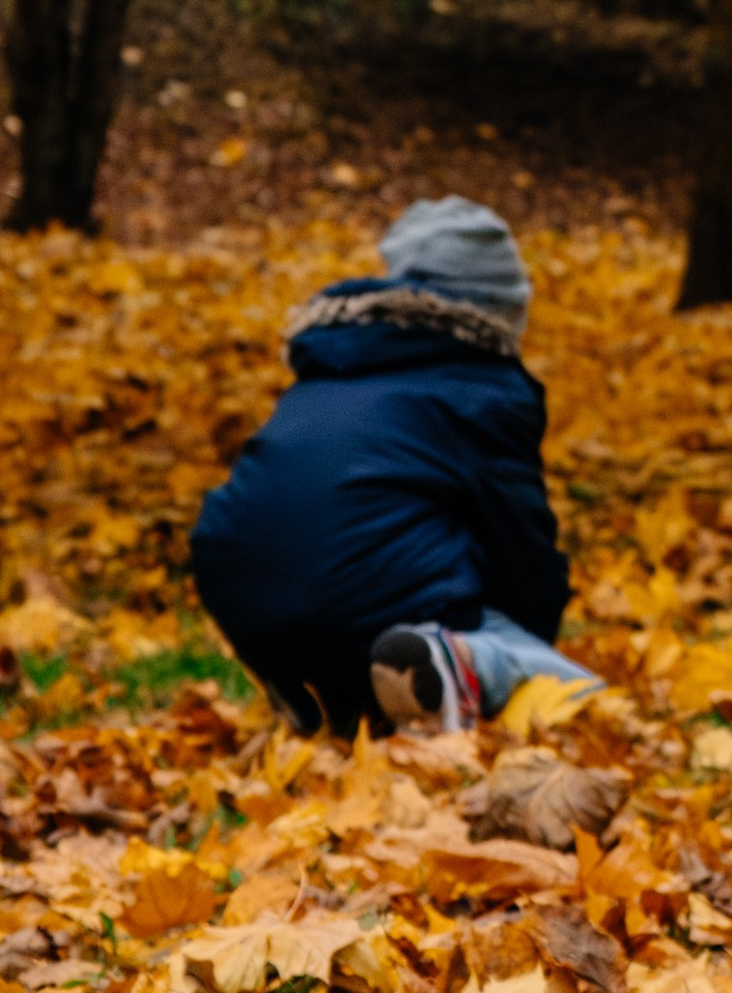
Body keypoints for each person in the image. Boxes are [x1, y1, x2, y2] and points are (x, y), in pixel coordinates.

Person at [189, 196, 598, 735]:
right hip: (369, 597)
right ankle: (454, 664)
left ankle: (317, 699)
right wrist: (522, 642)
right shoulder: (484, 389)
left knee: (349, 580)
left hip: (241, 587)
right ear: (499, 309)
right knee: (581, 697)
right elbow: (520, 543)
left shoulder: (331, 363)